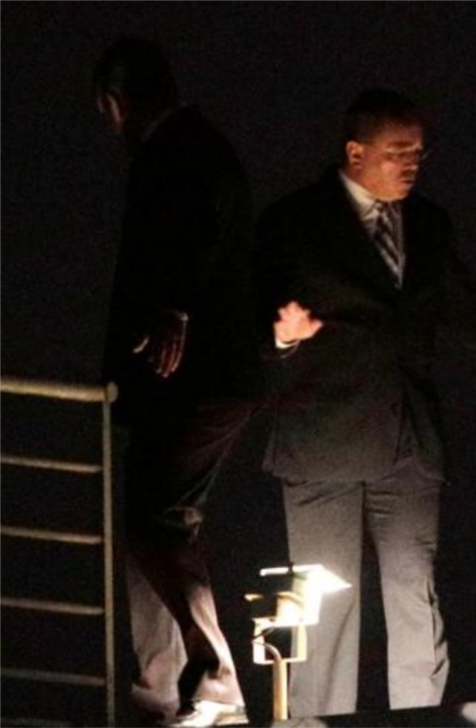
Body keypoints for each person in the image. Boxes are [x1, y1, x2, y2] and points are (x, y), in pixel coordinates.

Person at [256, 87, 476, 717]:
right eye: (398, 152)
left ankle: (420, 721)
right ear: (355, 152)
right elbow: (245, 310)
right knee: (323, 604)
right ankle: (318, 721)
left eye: (419, 152)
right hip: (322, 444)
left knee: (415, 596)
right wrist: (279, 335)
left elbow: (474, 317)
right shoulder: (295, 220)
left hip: (408, 446)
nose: (412, 164)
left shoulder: (428, 223)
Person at [96, 39, 261, 727]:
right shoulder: (195, 149)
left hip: (199, 379)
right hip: (187, 380)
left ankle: (212, 675)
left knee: (153, 523)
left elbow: (195, 231)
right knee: (154, 519)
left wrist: (174, 310)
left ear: (114, 107)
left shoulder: (181, 153)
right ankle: (163, 690)